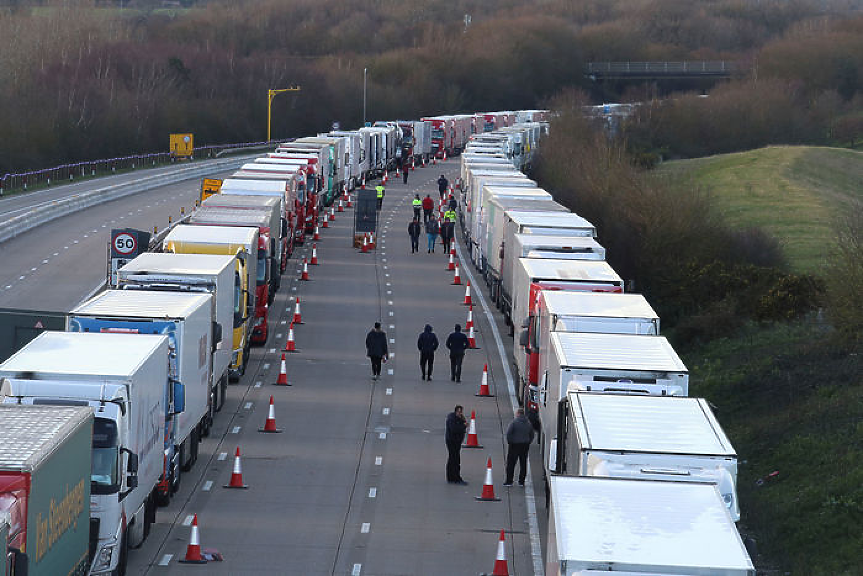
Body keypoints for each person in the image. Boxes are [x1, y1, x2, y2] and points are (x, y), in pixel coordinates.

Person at [503, 408, 535, 486]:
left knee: (511, 463)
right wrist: (528, 442)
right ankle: (521, 481)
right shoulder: (528, 423)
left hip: (514, 445)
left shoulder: (514, 422)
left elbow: (509, 433)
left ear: (518, 413)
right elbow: (532, 435)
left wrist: (510, 442)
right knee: (523, 463)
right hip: (525, 445)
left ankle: (509, 481)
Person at [445, 405, 468, 484]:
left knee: (453, 459)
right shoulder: (452, 419)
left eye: (461, 412)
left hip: (456, 441)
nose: (460, 413)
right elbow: (454, 429)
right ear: (455, 412)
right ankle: (455, 477)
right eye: (459, 412)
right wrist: (463, 426)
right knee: (455, 459)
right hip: (452, 441)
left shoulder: (459, 418)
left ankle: (451, 477)